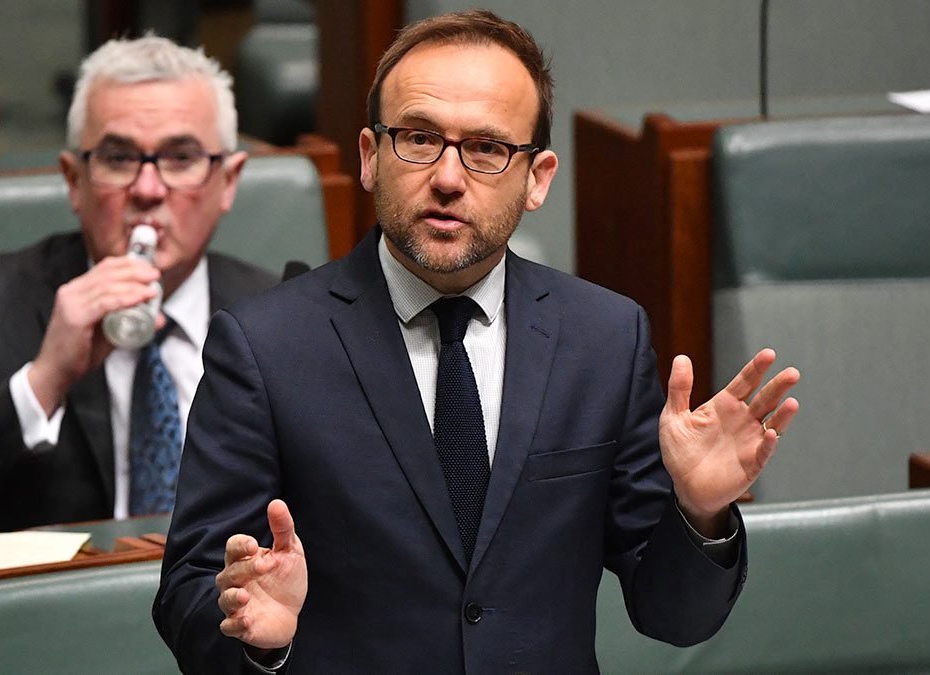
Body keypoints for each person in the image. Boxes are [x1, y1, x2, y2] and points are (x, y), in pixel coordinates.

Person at [154, 10, 800, 673]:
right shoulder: (263, 347)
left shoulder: (603, 338)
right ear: (371, 157)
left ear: (539, 178)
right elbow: (187, 592)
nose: (448, 177)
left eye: (487, 148)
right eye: (419, 138)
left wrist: (697, 512)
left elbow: (673, 615)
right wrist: (258, 633)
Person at [0, 36, 277, 543]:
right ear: (73, 180)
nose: (147, 190)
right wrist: (44, 380)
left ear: (228, 181)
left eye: (181, 157)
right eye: (119, 159)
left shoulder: (278, 315)